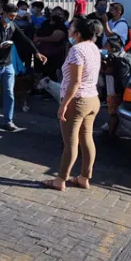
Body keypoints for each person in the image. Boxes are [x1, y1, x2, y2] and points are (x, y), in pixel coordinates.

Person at [44, 16, 103, 191]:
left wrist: (63, 105)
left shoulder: (77, 50)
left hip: (77, 101)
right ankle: (84, 177)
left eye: (71, 29)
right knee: (87, 139)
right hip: (92, 99)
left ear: (78, 33)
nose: (68, 31)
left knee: (70, 143)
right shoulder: (94, 48)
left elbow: (75, 82)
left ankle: (61, 179)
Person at [0, 4, 47, 131]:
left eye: (15, 16)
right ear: (4, 14)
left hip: (8, 64)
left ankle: (8, 121)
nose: (13, 18)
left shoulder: (12, 26)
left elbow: (25, 39)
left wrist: (36, 52)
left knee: (9, 93)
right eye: (11, 16)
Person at [103, 35, 131, 137]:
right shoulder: (126, 55)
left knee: (113, 113)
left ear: (113, 48)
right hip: (125, 87)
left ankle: (111, 133)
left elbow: (108, 72)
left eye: (107, 45)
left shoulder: (112, 58)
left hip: (113, 89)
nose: (105, 47)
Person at [34, 8, 69, 82]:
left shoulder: (61, 26)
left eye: (59, 14)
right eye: (55, 13)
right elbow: (37, 32)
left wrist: (39, 39)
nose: (56, 15)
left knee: (52, 76)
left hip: (55, 55)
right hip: (41, 52)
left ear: (63, 16)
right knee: (40, 74)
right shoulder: (45, 23)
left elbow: (55, 38)